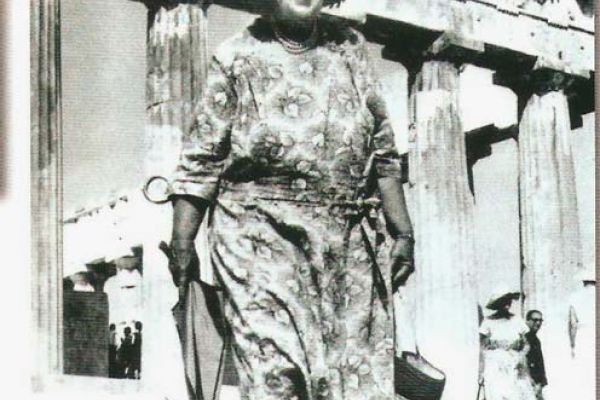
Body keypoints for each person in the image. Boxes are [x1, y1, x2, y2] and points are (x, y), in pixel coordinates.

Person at [165, 0, 414, 398]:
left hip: (347, 245)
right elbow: (201, 159)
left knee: (352, 384)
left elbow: (382, 150)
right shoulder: (235, 56)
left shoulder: (351, 49)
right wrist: (182, 241)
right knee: (276, 376)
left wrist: (403, 232)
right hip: (258, 238)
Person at [479, 289, 536, 400]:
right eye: (504, 300)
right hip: (495, 366)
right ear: (498, 302)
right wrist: (481, 372)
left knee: (516, 394)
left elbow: (527, 345)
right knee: (497, 394)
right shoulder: (488, 321)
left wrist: (520, 356)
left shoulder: (517, 320)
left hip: (514, 364)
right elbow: (482, 348)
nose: (508, 303)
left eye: (509, 300)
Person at [568, 269, 595, 400]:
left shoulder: (575, 297)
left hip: (583, 336)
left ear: (584, 281)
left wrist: (573, 345)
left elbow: (572, 324)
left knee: (584, 372)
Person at [525, 310, 547, 399]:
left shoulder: (536, 340)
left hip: (536, 384)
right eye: (535, 320)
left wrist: (541, 383)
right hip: (528, 383)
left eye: (540, 320)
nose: (538, 323)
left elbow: (539, 363)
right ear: (527, 321)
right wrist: (531, 381)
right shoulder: (524, 339)